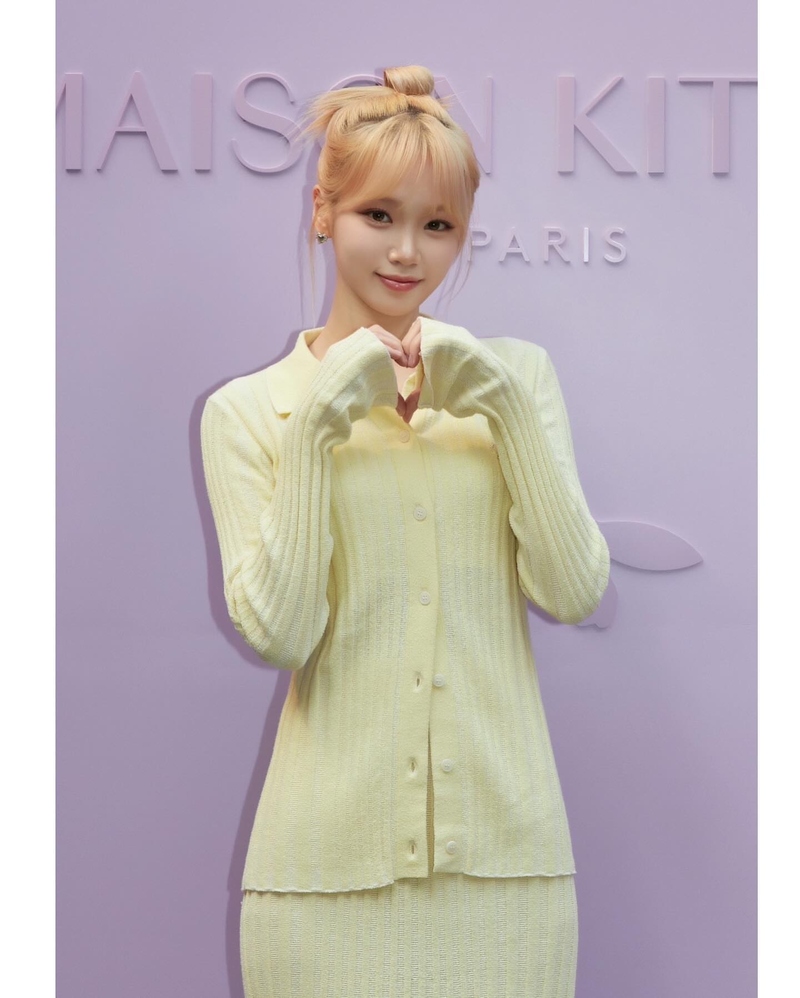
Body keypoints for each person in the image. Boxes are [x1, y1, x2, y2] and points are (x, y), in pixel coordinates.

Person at [200, 63, 610, 998]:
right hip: (321, 880)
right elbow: (281, 633)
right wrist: (319, 428)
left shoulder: (516, 380)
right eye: (378, 215)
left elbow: (574, 589)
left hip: (510, 874)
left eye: (438, 226)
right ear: (322, 211)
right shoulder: (249, 411)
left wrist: (502, 408)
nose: (406, 252)